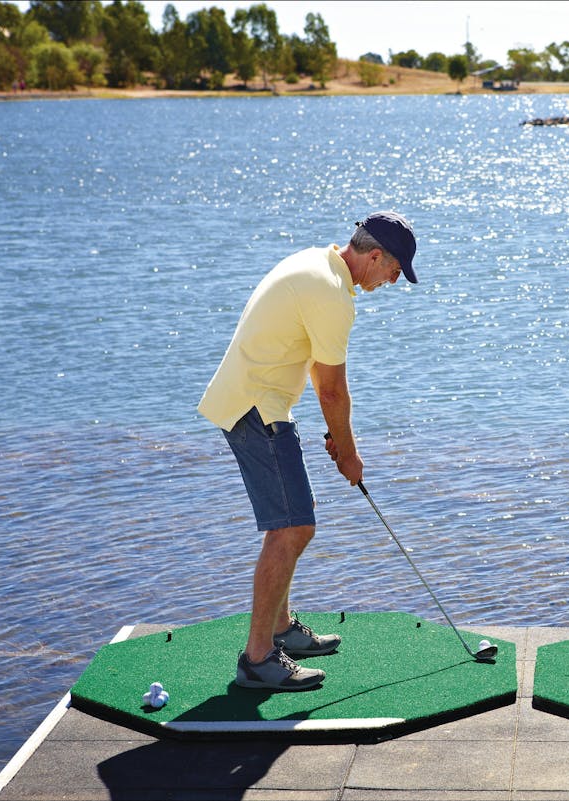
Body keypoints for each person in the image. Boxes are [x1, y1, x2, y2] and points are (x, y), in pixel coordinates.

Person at [198, 211, 418, 691]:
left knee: (294, 519)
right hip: (256, 407)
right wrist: (351, 453)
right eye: (395, 271)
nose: (393, 281)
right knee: (293, 527)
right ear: (375, 255)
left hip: (257, 400)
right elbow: (333, 392)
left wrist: (338, 441)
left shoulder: (318, 265)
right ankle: (259, 658)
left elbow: (321, 372)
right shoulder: (332, 294)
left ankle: (280, 630)